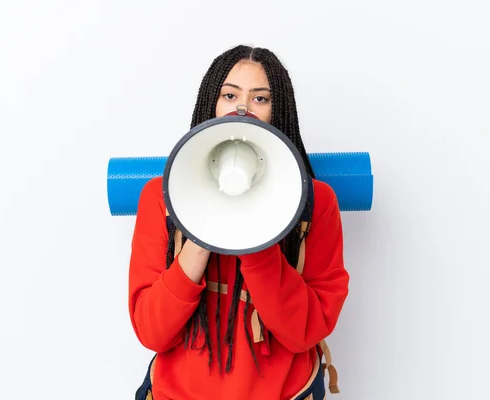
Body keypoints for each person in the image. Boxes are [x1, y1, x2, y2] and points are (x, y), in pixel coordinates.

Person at [128, 44, 350, 400]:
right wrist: (200, 227)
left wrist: (256, 234)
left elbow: (305, 332)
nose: (242, 108)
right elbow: (152, 333)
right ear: (210, 104)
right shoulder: (162, 197)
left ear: (279, 111)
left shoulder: (317, 203)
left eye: (260, 98)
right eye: (229, 94)